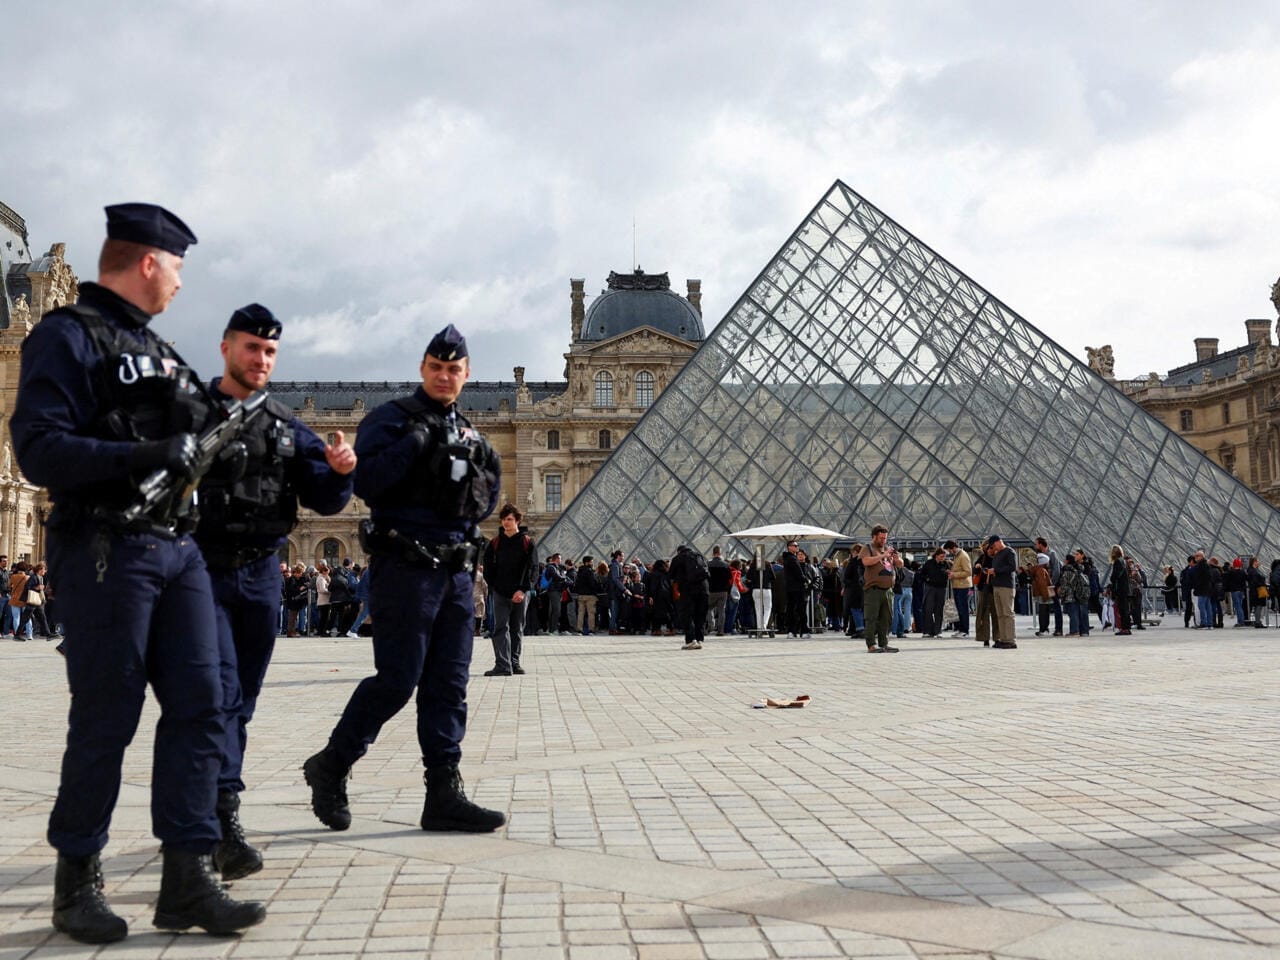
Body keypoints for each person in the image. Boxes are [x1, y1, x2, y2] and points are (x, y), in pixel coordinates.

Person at [9, 203, 264, 942]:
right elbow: (39, 450)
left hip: (177, 550)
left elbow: (198, 429)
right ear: (149, 262)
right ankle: (77, 879)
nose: (183, 283)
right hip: (104, 547)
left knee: (204, 706)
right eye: (178, 267)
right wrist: (140, 458)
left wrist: (229, 455)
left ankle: (187, 875)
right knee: (107, 716)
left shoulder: (157, 348)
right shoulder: (67, 337)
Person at [304, 324, 505, 835]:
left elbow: (485, 500)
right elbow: (366, 482)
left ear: (466, 374)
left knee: (450, 685)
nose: (444, 375)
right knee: (397, 679)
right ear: (423, 369)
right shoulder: (390, 421)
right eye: (436, 367)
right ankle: (333, 763)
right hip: (405, 567)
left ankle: (443, 791)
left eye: (454, 369)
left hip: (456, 575)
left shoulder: (474, 437)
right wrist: (416, 446)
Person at [193, 303, 356, 881]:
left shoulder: (286, 425)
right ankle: (216, 820)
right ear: (226, 348)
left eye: (269, 352)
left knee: (242, 700)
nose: (260, 359)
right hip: (201, 571)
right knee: (214, 698)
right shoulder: (191, 413)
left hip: (262, 573)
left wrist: (340, 469)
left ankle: (219, 812)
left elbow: (329, 500)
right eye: (250, 348)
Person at [483, 503, 535, 676]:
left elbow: (532, 568)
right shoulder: (495, 543)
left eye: (510, 519)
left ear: (517, 521)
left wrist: (522, 590)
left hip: (520, 592)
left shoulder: (528, 543)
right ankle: (502, 665)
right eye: (504, 519)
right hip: (500, 593)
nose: (506, 522)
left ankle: (514, 662)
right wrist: (495, 588)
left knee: (517, 628)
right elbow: (488, 568)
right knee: (500, 628)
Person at [860, 525, 899, 653]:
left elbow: (900, 565)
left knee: (886, 618)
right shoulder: (868, 548)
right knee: (871, 617)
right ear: (874, 536)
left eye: (885, 538)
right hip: (873, 590)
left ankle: (884, 643)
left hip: (888, 590)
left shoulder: (887, 549)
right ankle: (871, 644)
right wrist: (883, 556)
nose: (883, 541)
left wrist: (897, 559)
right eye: (881, 538)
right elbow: (866, 562)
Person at [669, 544, 710, 649]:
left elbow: (671, 575)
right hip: (703, 589)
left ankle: (691, 640)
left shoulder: (678, 559)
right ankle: (699, 639)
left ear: (679, 551)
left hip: (687, 590)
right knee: (700, 615)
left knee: (687, 615)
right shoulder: (699, 556)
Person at [987, 534, 1018, 648]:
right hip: (997, 585)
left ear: (999, 542)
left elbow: (1012, 567)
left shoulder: (1009, 552)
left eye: (994, 545)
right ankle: (1004, 638)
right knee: (1000, 614)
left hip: (1006, 586)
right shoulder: (998, 554)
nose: (993, 548)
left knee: (1008, 613)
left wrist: (996, 570)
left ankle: (1010, 639)